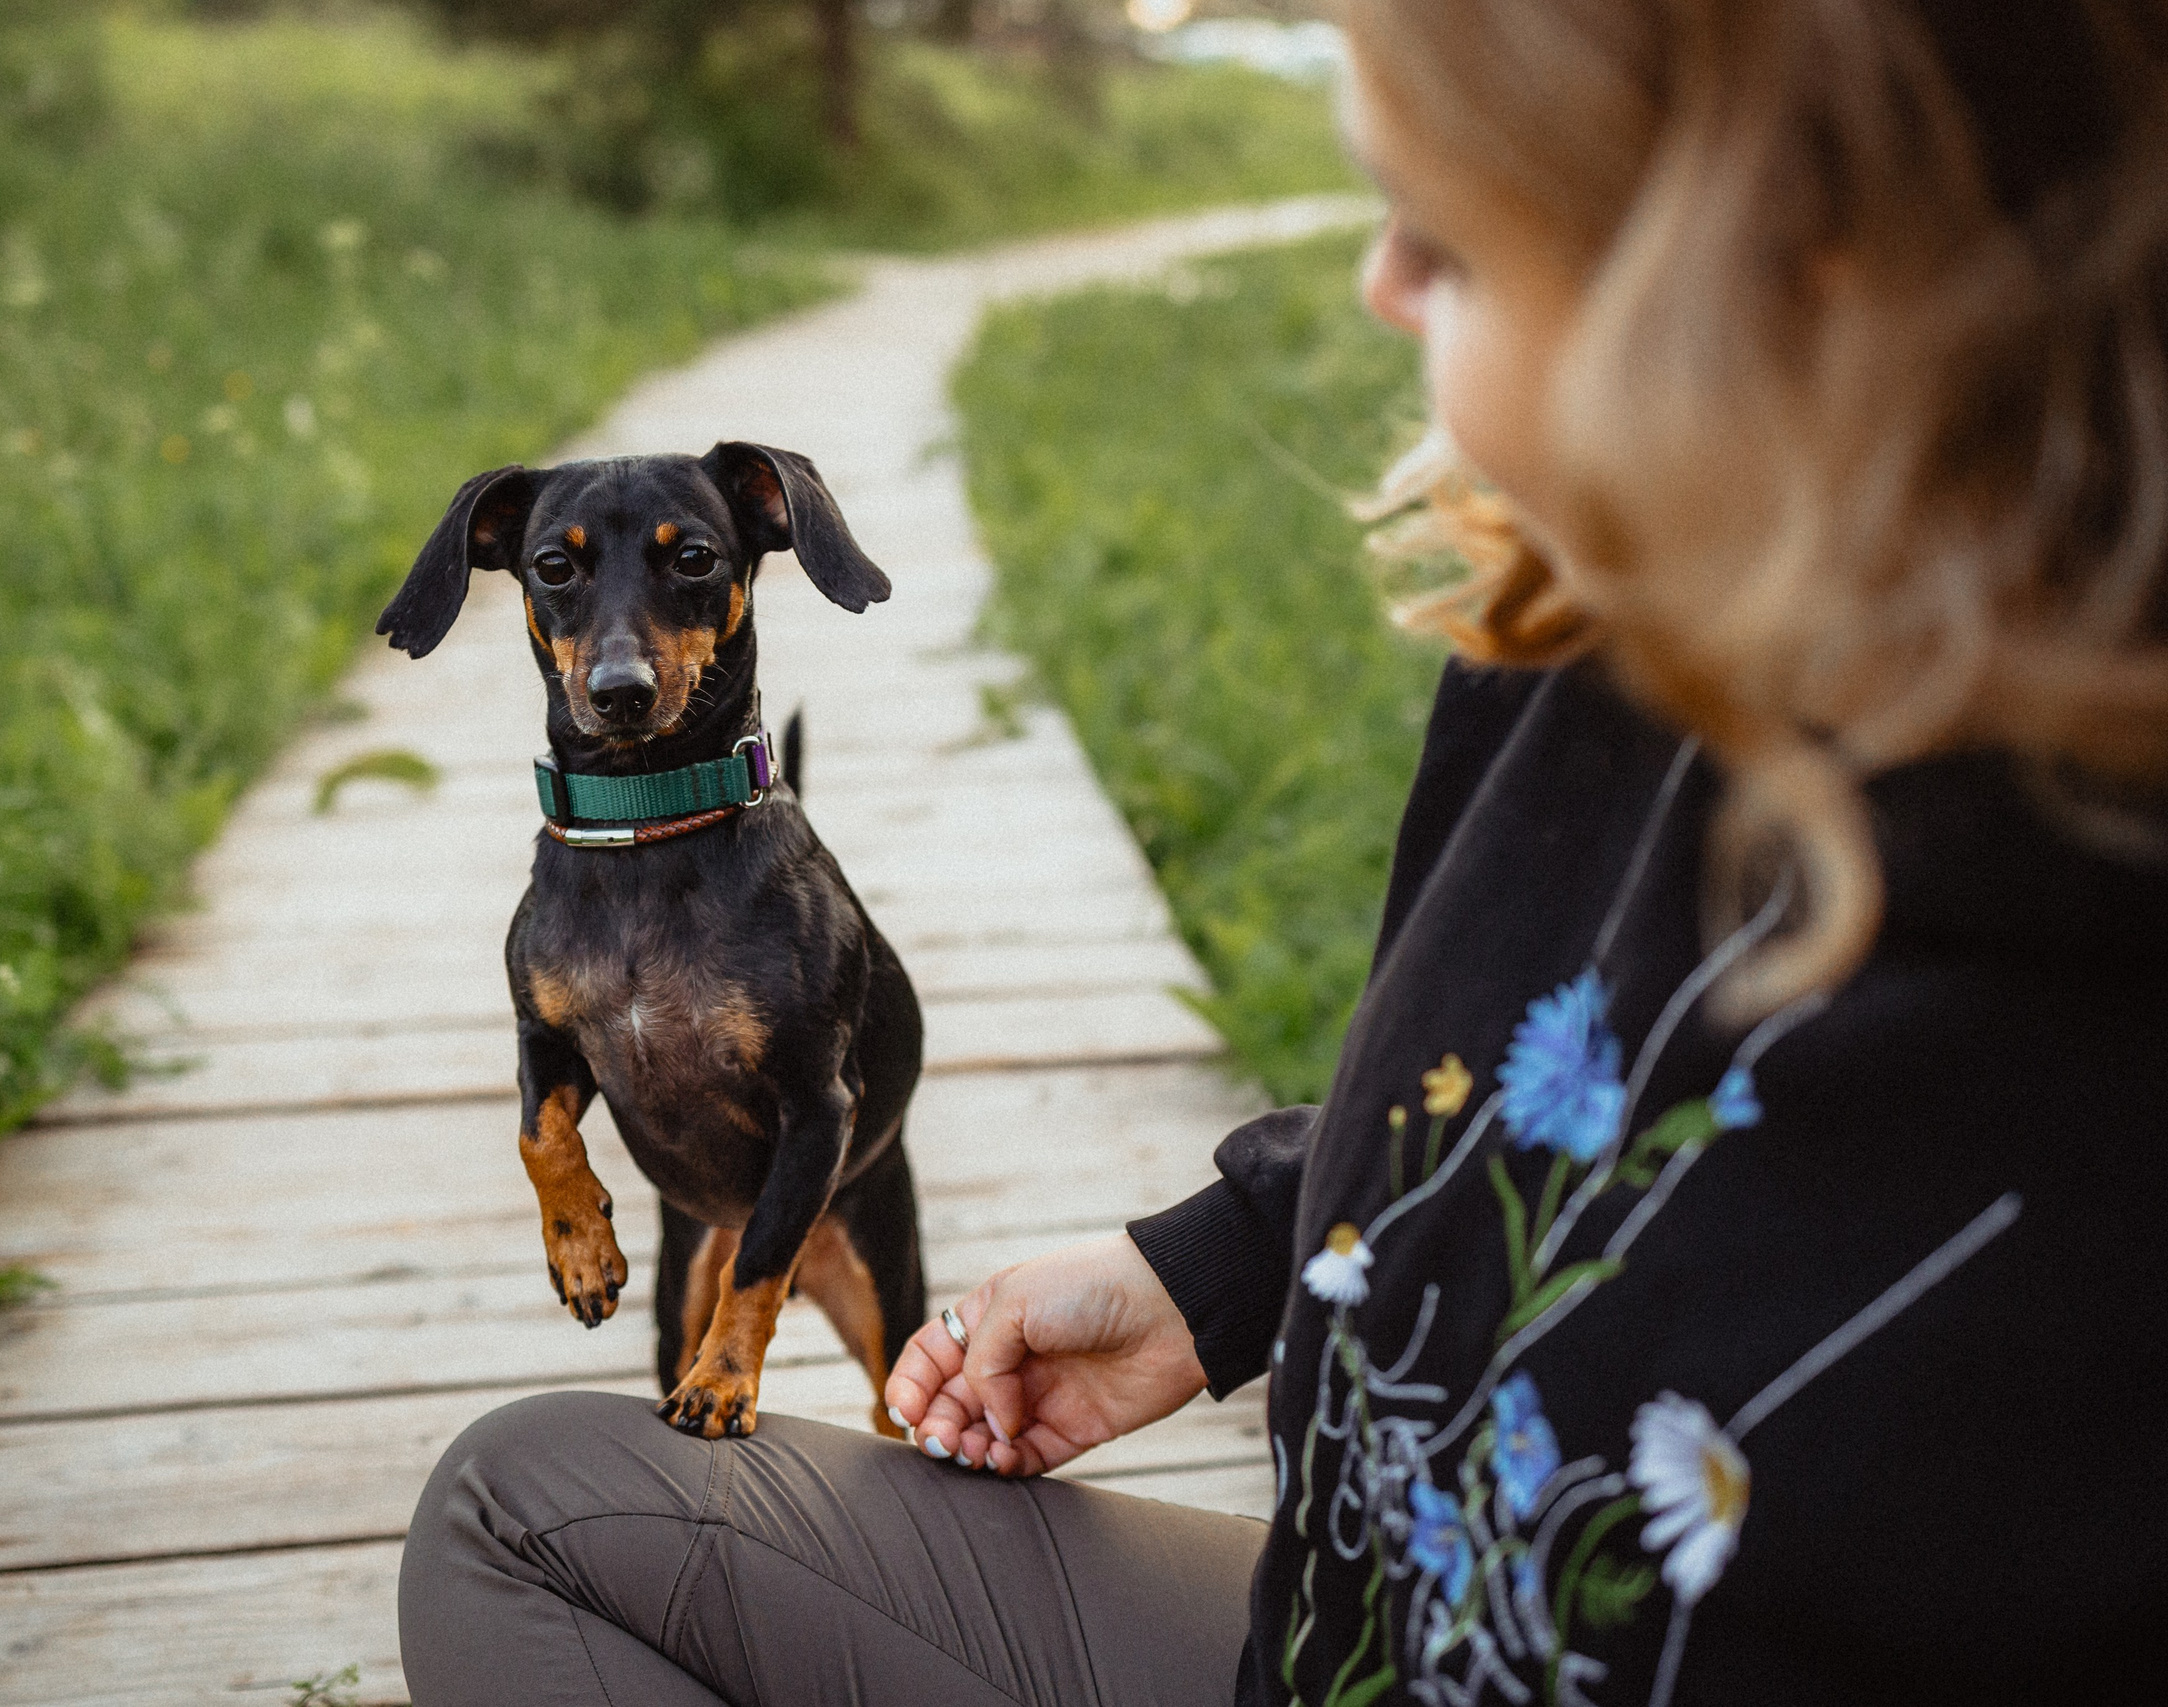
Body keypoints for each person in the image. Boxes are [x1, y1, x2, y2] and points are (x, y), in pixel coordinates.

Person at [397, 2, 2168, 1701]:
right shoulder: (1569, 658)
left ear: (1797, 262)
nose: (1378, 282)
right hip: (1342, 1622)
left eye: (1447, 236)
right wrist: (1228, 1264)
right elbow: (1554, 1102)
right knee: (519, 1504)